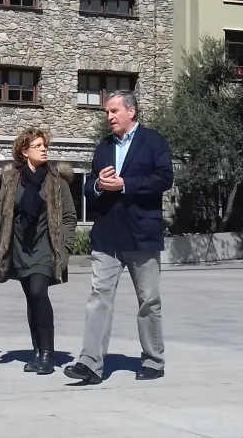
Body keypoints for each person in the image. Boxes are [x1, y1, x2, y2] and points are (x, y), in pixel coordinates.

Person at [63, 91, 174, 385]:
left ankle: (153, 360)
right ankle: (90, 363)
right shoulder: (103, 148)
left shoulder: (154, 142)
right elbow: (89, 189)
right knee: (99, 298)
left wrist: (126, 184)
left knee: (148, 300)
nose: (109, 117)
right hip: (107, 236)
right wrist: (98, 185)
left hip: (142, 234)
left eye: (113, 111)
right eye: (106, 112)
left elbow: (165, 178)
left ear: (131, 112)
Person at [0, 129, 77, 375]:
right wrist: (3, 245)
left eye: (44, 145)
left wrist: (65, 248)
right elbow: (2, 214)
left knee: (38, 292)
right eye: (37, 146)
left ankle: (48, 354)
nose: (43, 149)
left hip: (46, 246)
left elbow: (69, 217)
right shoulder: (11, 180)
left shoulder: (57, 180)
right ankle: (37, 351)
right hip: (20, 247)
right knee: (31, 299)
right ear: (24, 152)